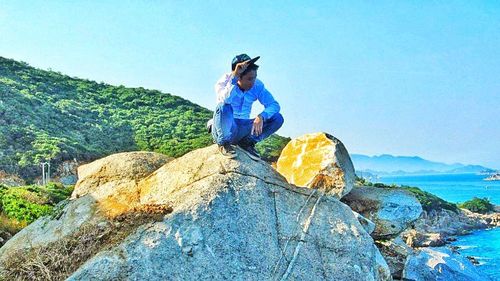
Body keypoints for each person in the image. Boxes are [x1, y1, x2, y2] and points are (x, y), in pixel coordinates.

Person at [209, 54, 284, 160]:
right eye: (249, 79)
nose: (253, 82)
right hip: (228, 126)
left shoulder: (257, 85)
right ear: (239, 76)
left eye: (254, 78)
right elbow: (224, 101)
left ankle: (247, 142)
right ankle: (224, 143)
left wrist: (262, 116)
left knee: (277, 118)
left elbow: (274, 105)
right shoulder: (224, 82)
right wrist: (233, 80)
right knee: (223, 106)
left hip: (244, 127)